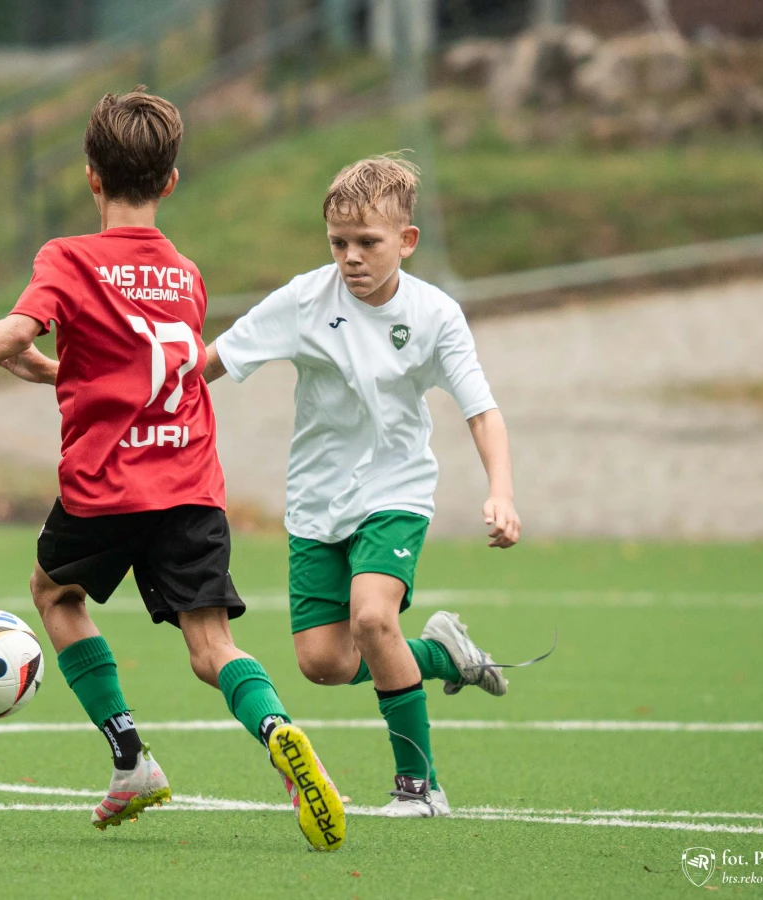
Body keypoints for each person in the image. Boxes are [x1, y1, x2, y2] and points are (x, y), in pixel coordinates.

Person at [0, 89, 345, 851]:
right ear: (170, 181)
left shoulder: (68, 258)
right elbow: (148, 366)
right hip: (190, 485)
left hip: (106, 486)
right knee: (212, 649)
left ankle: (130, 758)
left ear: (90, 176)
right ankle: (276, 727)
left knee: (54, 592)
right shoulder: (185, 274)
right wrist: (56, 371)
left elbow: (15, 328)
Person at [204, 156, 529, 818]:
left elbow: (481, 410)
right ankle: (443, 656)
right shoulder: (303, 300)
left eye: (367, 243)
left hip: (396, 489)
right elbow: (210, 362)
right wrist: (117, 388)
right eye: (338, 243)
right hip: (315, 502)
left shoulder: (435, 314)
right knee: (323, 662)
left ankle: (420, 786)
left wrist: (501, 491)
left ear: (406, 241)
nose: (351, 257)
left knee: (374, 619)